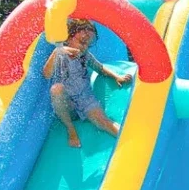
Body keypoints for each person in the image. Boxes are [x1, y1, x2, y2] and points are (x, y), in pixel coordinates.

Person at [42, 18, 133, 148]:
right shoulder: (60, 55)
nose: (84, 47)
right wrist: (57, 52)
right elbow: (46, 74)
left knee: (104, 122)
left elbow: (99, 67)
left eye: (88, 45)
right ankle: (70, 129)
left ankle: (132, 140)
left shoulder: (85, 55)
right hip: (68, 104)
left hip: (85, 99)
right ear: (68, 38)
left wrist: (116, 77)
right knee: (56, 89)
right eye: (82, 42)